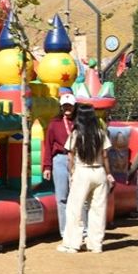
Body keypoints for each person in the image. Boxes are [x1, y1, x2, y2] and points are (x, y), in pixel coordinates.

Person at [57, 105, 113, 253]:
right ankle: (96, 244)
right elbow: (105, 156)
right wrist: (108, 174)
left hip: (82, 172)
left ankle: (72, 244)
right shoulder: (101, 133)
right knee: (98, 210)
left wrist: (71, 173)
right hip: (99, 171)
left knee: (74, 209)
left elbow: (70, 156)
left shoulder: (76, 134)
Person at [43, 94, 80, 236]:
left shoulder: (79, 122)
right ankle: (65, 232)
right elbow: (48, 145)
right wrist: (47, 166)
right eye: (65, 106)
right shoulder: (55, 123)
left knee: (78, 195)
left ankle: (79, 229)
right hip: (60, 159)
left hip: (78, 159)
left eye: (70, 105)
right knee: (62, 196)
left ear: (74, 106)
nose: (67, 108)